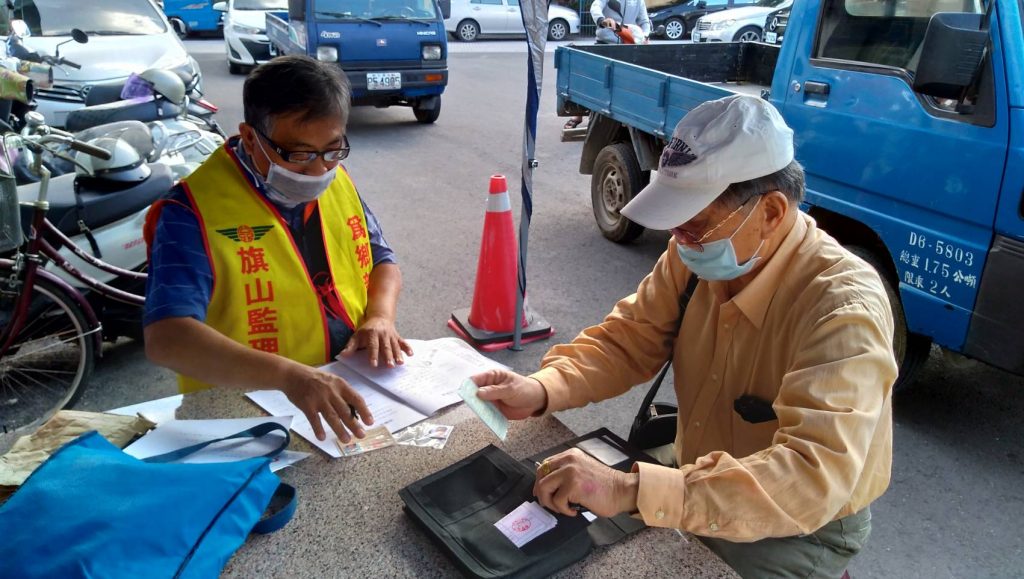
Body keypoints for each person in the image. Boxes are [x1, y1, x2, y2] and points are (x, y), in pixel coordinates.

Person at [475, 94, 897, 577]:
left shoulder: (841, 307)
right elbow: (629, 338)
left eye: (695, 225)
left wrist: (631, 490)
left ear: (773, 212)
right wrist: (542, 388)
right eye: (674, 226)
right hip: (695, 464)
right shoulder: (694, 254)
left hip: (799, 525)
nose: (679, 241)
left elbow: (809, 476)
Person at [144, 55, 412, 443]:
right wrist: (289, 376)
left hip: (345, 384)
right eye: (299, 155)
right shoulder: (191, 212)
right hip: (244, 411)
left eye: (333, 149)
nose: (319, 171)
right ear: (251, 138)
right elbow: (168, 337)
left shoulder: (334, 178)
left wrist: (380, 317)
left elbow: (382, 259)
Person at [564, 0, 652, 129]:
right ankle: (577, 114)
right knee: (590, 78)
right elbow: (596, 6)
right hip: (605, 43)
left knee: (626, 84)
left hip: (627, 45)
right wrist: (602, 20)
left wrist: (644, 35)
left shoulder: (638, 1)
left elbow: (644, 21)